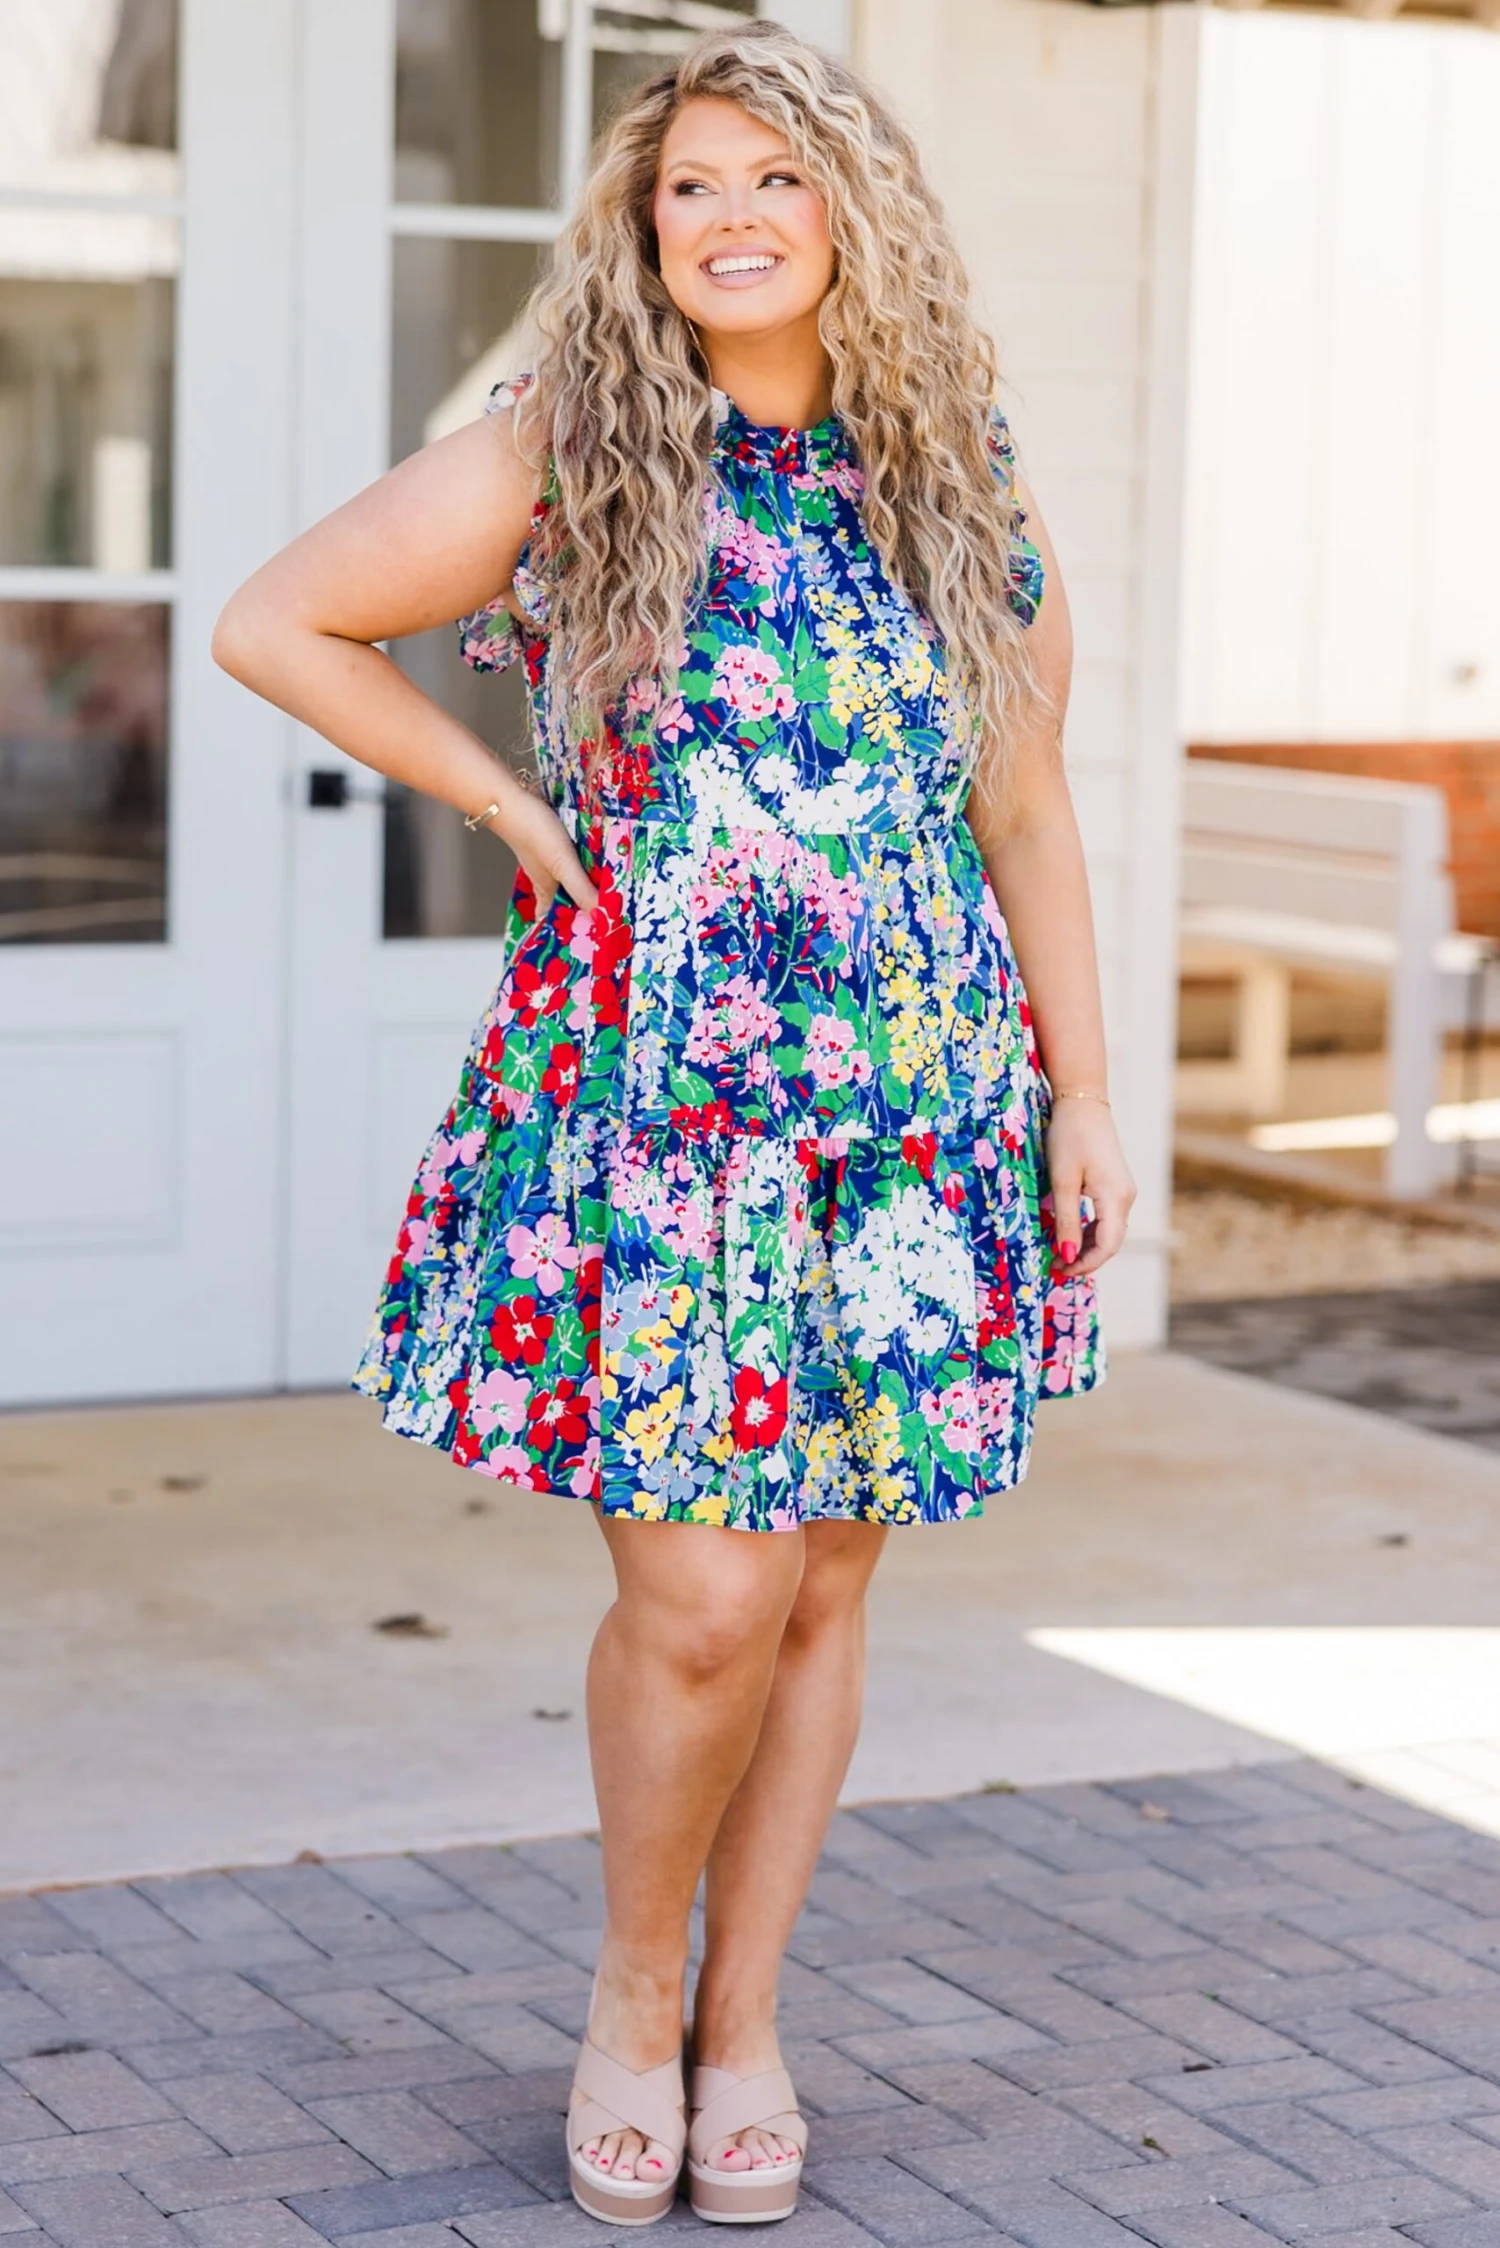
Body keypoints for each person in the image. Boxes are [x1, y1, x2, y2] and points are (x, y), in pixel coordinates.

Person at [214, 19, 1134, 2229]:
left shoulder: (957, 471)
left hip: (913, 1103)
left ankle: (747, 2023)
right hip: (664, 1108)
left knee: (818, 1588)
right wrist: (502, 800)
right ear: (642, 230)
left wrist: (1088, 1089)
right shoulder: (572, 448)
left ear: (853, 213)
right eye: (689, 185)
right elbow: (277, 620)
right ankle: (634, 1992)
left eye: (774, 179)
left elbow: (1023, 806)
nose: (730, 218)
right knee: (709, 1592)